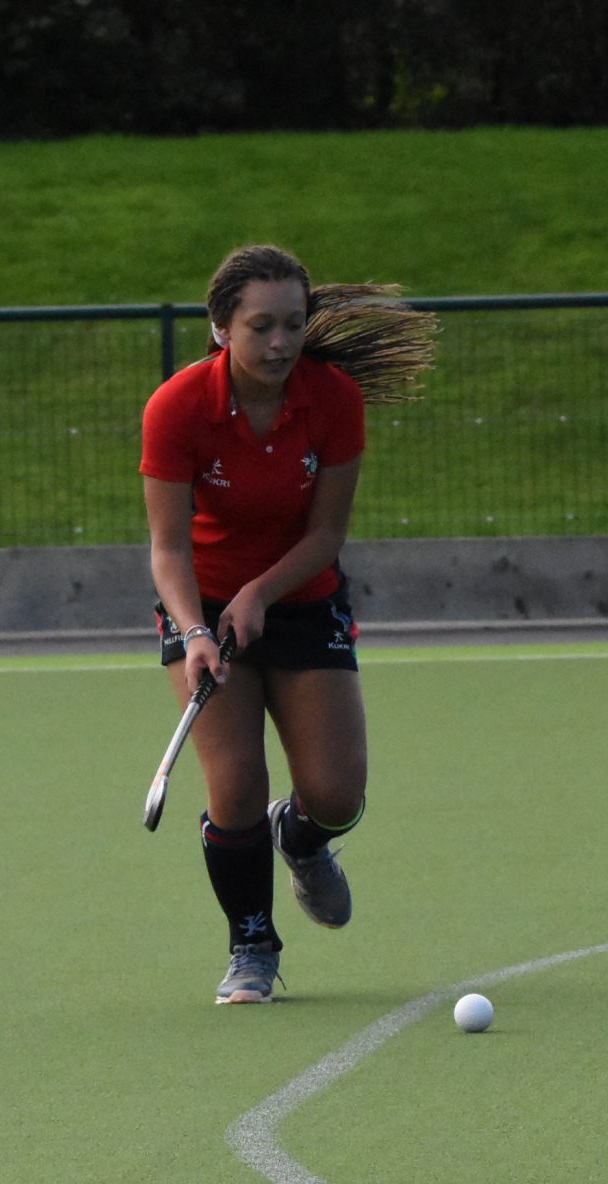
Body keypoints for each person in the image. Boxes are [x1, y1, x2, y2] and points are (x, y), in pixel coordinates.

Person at [142, 244, 437, 1005]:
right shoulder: (177, 407)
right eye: (261, 327)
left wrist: (262, 592)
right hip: (203, 606)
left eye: (293, 325)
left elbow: (326, 534)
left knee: (336, 794)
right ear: (220, 328)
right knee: (235, 784)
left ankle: (299, 835)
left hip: (302, 599)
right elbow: (168, 549)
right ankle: (252, 946)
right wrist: (195, 631)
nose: (280, 343)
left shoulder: (332, 398)